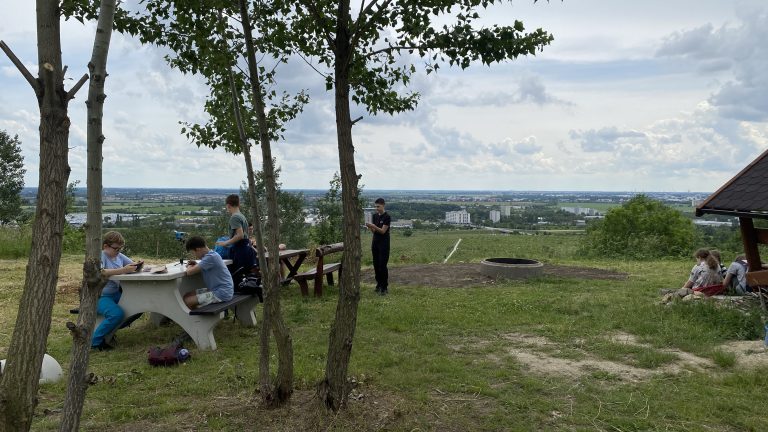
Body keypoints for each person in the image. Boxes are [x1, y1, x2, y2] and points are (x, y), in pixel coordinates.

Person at [92, 231, 141, 351]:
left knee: (138, 306)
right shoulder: (101, 255)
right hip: (100, 296)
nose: (118, 251)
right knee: (116, 314)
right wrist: (123, 270)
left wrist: (138, 265)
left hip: (116, 293)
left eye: (120, 248)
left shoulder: (118, 255)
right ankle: (95, 342)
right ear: (105, 246)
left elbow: (131, 265)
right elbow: (100, 272)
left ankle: (112, 329)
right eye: (116, 249)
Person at [183, 236, 234, 309]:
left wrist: (189, 266)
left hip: (222, 293)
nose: (195, 256)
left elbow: (189, 272)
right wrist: (196, 265)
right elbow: (205, 264)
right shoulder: (212, 255)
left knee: (188, 300)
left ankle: (197, 318)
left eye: (194, 253)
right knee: (187, 295)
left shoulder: (210, 258)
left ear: (198, 249)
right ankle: (198, 312)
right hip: (219, 290)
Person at [216, 194, 255, 286]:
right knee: (244, 275)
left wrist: (225, 243)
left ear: (228, 205)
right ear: (238, 204)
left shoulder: (235, 217)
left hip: (240, 249)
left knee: (237, 276)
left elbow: (240, 235)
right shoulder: (242, 216)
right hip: (245, 247)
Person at [366, 197, 391, 295]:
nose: (377, 208)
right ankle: (379, 284)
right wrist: (370, 227)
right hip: (375, 243)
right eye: (375, 206)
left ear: (383, 205)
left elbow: (382, 231)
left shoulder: (387, 217)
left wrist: (373, 226)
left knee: (382, 265)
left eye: (378, 206)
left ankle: (384, 287)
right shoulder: (375, 216)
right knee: (376, 265)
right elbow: (374, 231)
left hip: (384, 244)